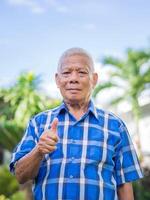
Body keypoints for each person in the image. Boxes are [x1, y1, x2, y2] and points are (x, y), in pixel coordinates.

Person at [10, 47, 143, 200]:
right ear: (57, 80)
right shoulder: (38, 123)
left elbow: (124, 184)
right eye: (66, 73)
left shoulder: (115, 126)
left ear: (94, 79)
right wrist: (38, 151)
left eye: (81, 72)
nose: (73, 78)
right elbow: (20, 176)